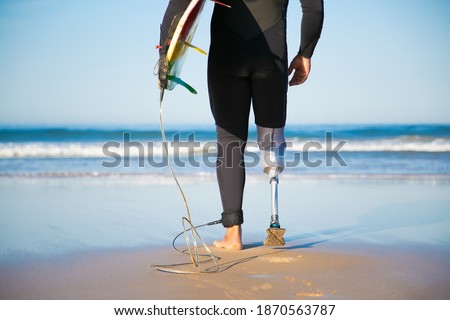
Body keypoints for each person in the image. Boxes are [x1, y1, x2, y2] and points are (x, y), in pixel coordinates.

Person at [159, 0, 324, 250]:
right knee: (271, 140)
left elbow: (181, 5)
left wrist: (164, 55)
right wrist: (306, 53)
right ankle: (275, 221)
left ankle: (233, 234)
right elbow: (313, 8)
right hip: (272, 57)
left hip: (228, 56)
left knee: (230, 143)